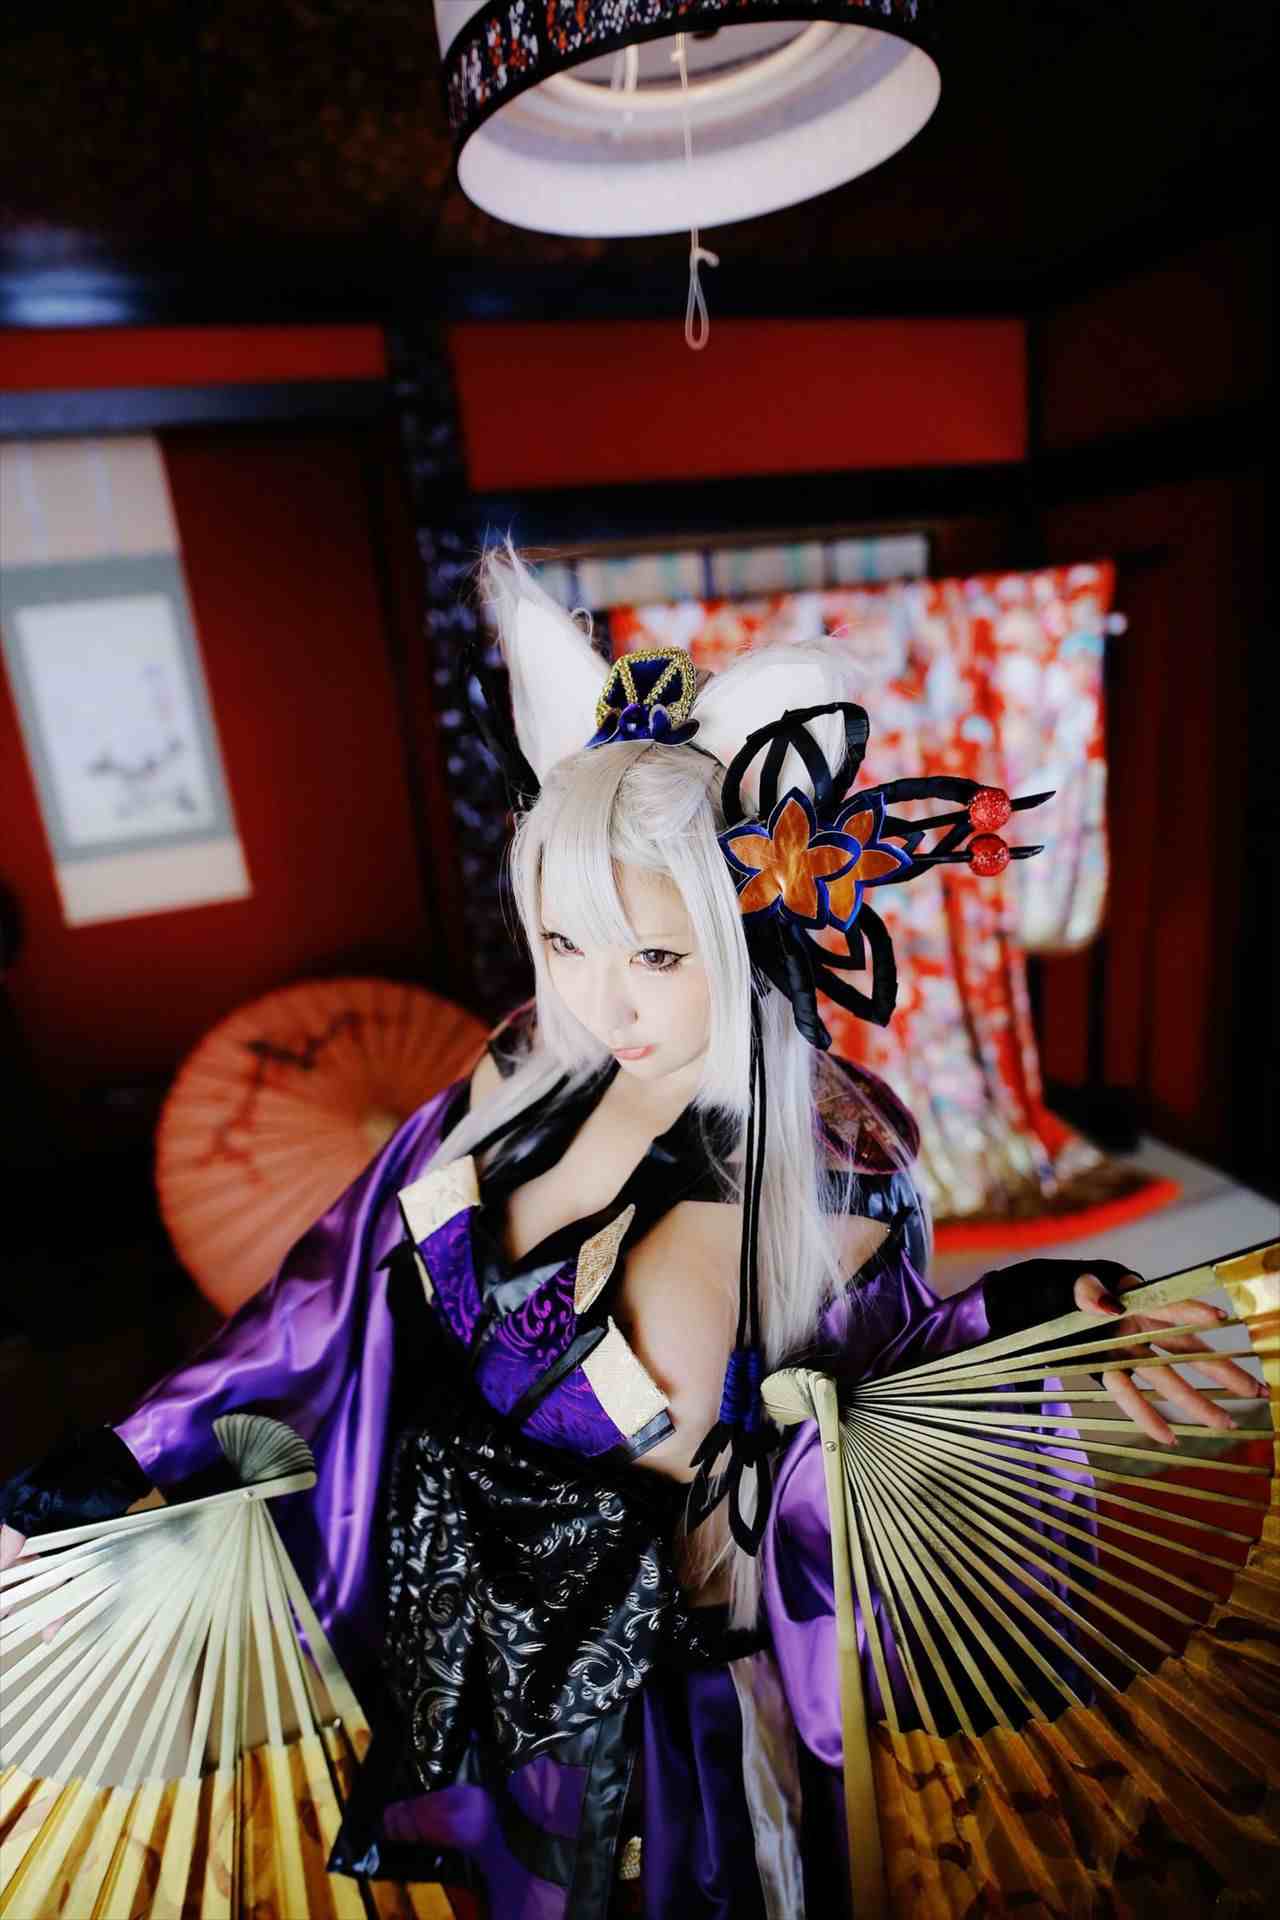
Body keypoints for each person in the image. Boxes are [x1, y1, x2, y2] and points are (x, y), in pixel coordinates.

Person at [0, 552, 1257, 1920]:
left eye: (657, 955)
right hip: (444, 1647)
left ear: (748, 929)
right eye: (565, 944)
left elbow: (871, 1424)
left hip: (667, 1722)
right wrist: (136, 1450)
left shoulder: (831, 1168)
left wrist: (1031, 1330)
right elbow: (328, 1295)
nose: (604, 1004)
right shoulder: (510, 1080)